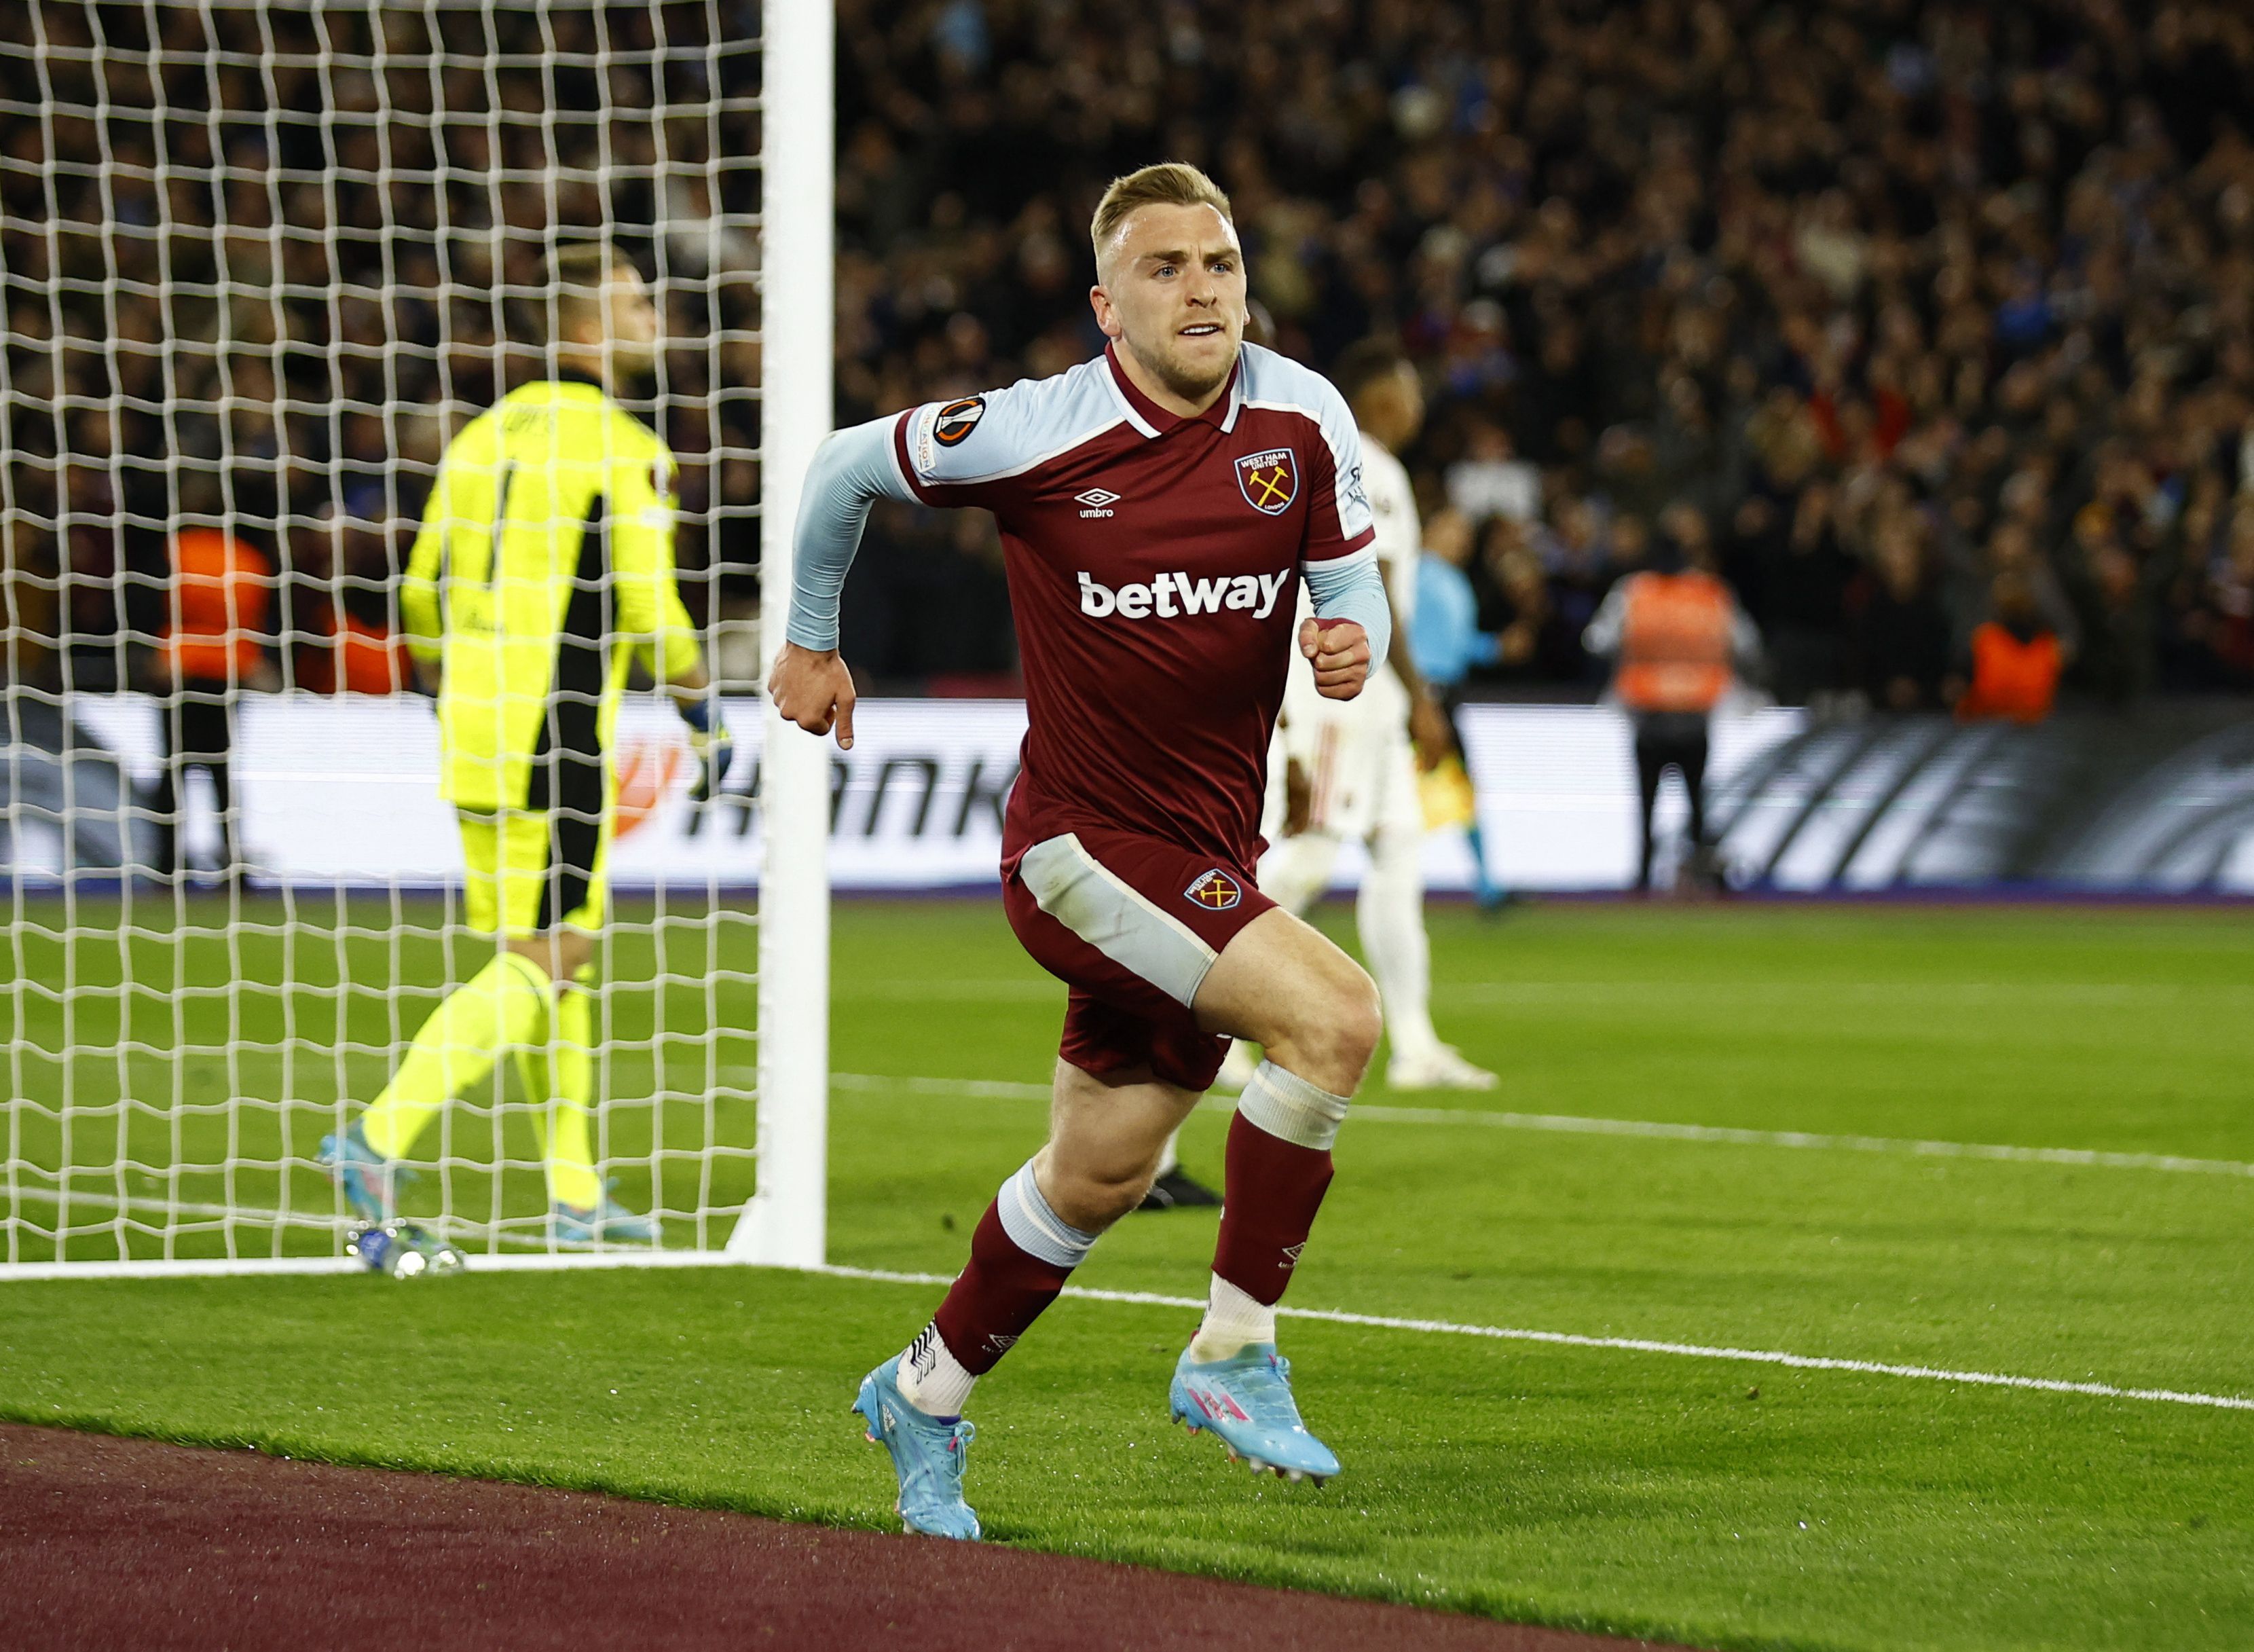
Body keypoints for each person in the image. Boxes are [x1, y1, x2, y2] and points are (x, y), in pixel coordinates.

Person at [770, 162, 1392, 1537]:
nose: (1200, 288)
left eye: (1219, 263)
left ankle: (919, 1393)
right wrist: (813, 634)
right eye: (1165, 267)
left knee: (1099, 1174)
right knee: (1337, 1020)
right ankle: (1232, 1351)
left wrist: (1352, 643)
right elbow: (840, 467)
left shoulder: (1302, 416)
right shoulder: (1041, 430)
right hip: (1080, 850)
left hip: (1207, 854)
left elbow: (1349, 592)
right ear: (1106, 306)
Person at [320, 244, 730, 1246]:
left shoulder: (479, 440)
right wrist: (696, 701)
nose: (653, 315)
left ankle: (575, 1195)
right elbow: (649, 600)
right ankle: (378, 1139)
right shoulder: (620, 445)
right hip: (558, 733)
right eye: (634, 300)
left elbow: (417, 590)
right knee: (556, 952)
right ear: (586, 328)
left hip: (472, 725)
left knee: (550, 954)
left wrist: (444, 679)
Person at [1217, 337, 1495, 1094]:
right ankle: (1203, 1009)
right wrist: (1420, 697)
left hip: (1373, 696)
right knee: (1305, 858)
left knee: (1398, 857)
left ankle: (1414, 1044)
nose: (1415, 408)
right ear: (1377, 398)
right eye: (1405, 392)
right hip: (1345, 691)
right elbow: (1369, 582)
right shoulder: (1363, 461)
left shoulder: (1352, 458)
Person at [1582, 515, 1758, 891]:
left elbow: (1597, 640)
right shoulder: (1711, 593)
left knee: (1647, 804)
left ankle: (1643, 879)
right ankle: (1699, 878)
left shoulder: (1634, 591)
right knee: (1696, 802)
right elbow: (1745, 643)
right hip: (1696, 715)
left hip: (1648, 716)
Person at [147, 473, 275, 883]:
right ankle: (232, 867)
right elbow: (255, 618)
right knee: (222, 774)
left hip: (179, 670)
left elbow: (151, 608)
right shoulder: (247, 559)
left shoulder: (174, 552)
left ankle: (166, 867)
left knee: (173, 771)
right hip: (229, 673)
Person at [1411, 505, 1507, 905]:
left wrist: (1497, 648)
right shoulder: (1412, 574)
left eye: (1466, 534)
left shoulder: (1453, 581)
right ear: (1432, 530)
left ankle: (1487, 886)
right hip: (1418, 694)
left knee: (1461, 788)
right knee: (1387, 787)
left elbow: (1459, 644)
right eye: (1454, 530)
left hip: (1445, 693)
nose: (1462, 541)